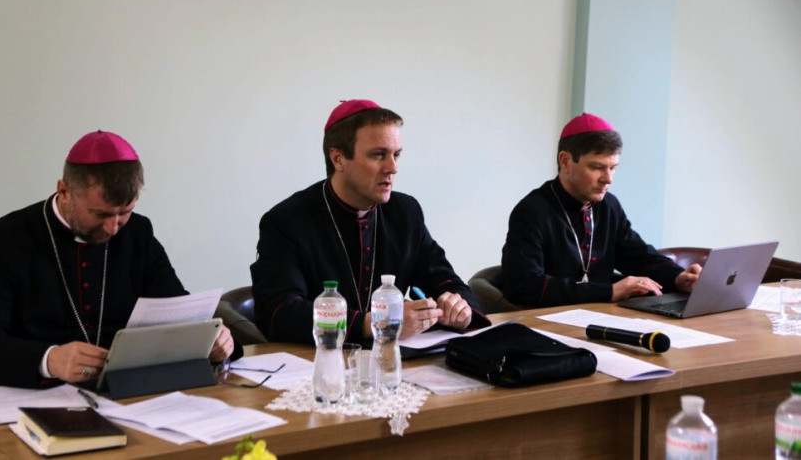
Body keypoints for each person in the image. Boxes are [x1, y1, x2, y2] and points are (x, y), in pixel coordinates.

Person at [0, 130, 240, 388]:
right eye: (101, 214)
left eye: (124, 212)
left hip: (130, 397)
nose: (113, 228)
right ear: (64, 191)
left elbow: (178, 313)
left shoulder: (138, 233)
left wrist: (213, 341)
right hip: (34, 401)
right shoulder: (3, 242)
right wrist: (48, 360)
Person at [250, 99, 490, 344]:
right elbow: (279, 313)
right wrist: (372, 323)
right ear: (338, 159)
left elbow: (444, 279)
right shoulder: (286, 221)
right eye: (378, 155)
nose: (393, 168)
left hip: (395, 359)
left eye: (396, 155)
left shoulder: (405, 212)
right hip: (316, 360)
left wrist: (459, 309)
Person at [497, 113, 702, 307]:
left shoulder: (608, 206)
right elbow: (524, 285)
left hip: (602, 317)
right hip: (546, 322)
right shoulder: (532, 211)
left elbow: (638, 255)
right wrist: (610, 291)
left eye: (613, 168)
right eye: (597, 167)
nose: (608, 179)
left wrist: (678, 277)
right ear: (565, 161)